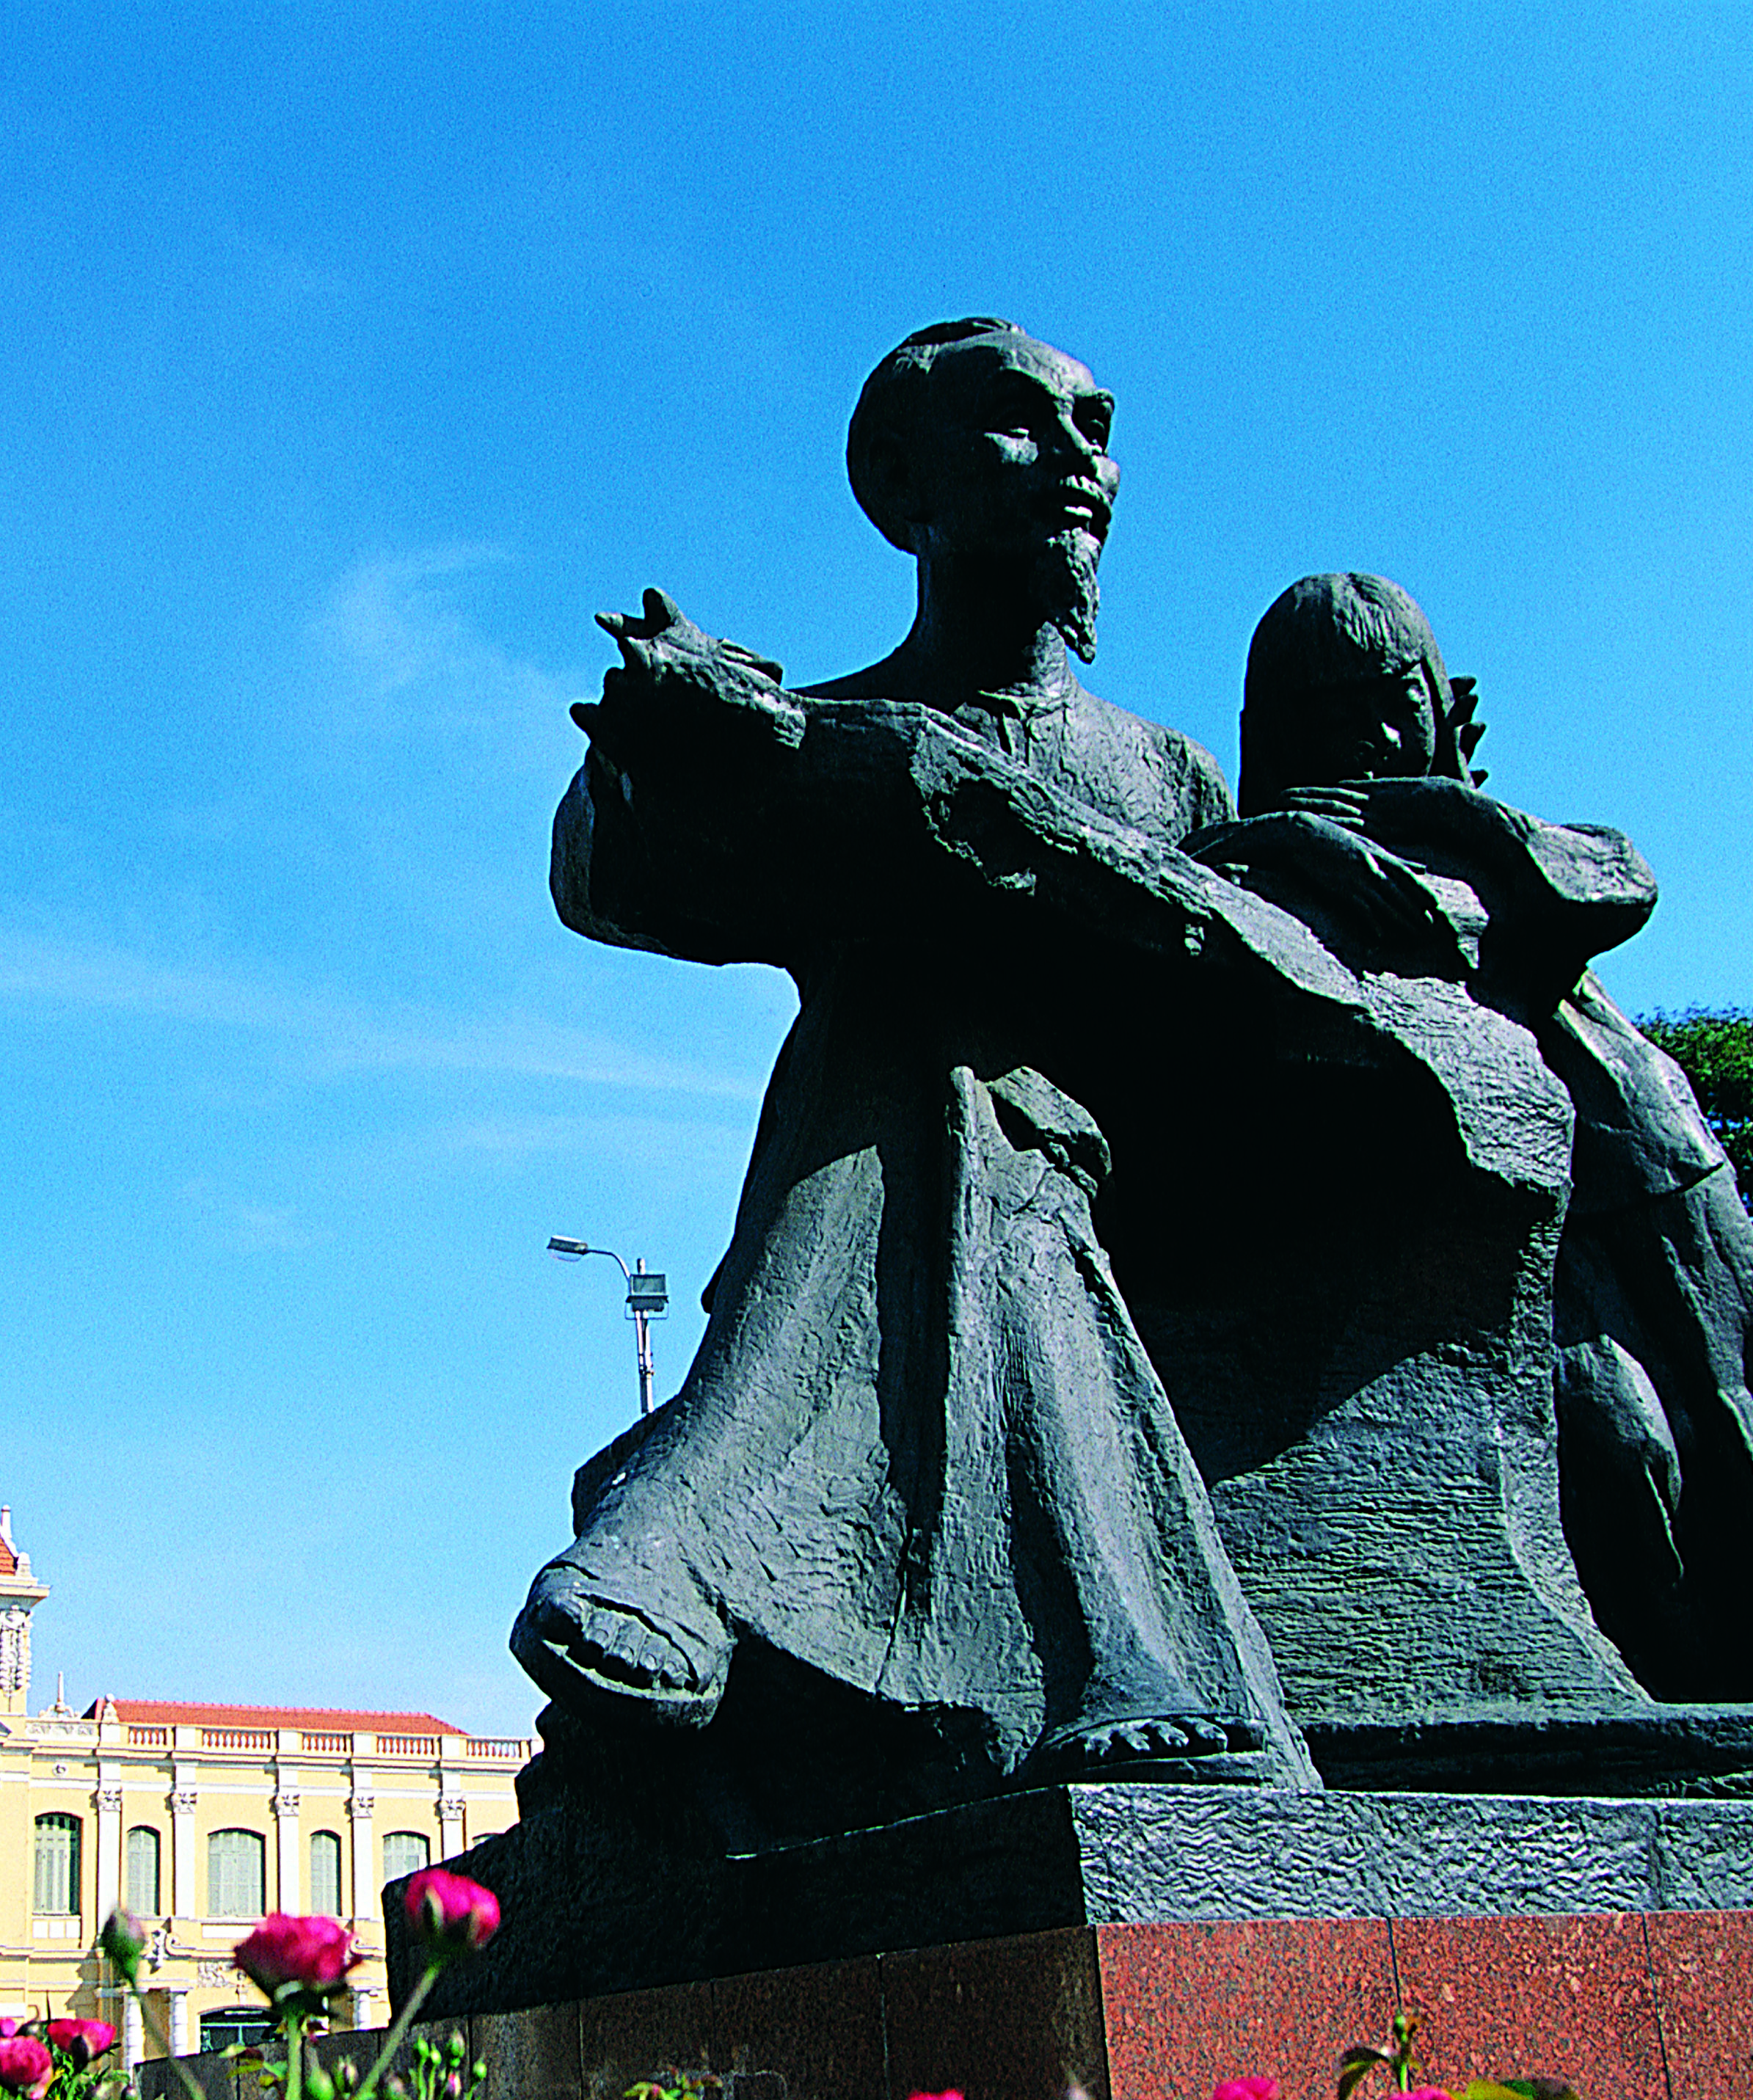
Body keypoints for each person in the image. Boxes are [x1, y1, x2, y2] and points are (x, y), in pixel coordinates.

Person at [512, 321, 1520, 1849]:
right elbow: (604, 874)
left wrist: (1305, 859)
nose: (1081, 467)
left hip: (1179, 1187)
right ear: (901, 485)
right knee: (931, 1025)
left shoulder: (1165, 773)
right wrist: (649, 758)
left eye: (1097, 432)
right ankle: (1105, 1652)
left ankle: (690, 1540)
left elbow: (1243, 955)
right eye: (1020, 427)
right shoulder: (835, 728)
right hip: (959, 1185)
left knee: (943, 1020)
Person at [1203, 572, 1753, 1700]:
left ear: (1447, 705)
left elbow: (1611, 885)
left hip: (1646, 1164)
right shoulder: (1275, 858)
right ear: (1276, 731)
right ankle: (1687, 1684)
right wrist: (1315, 837)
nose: (1376, 735)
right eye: (1334, 712)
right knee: (1617, 1436)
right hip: (1493, 1212)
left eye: (1398, 701)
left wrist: (1446, 807)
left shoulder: (1489, 838)